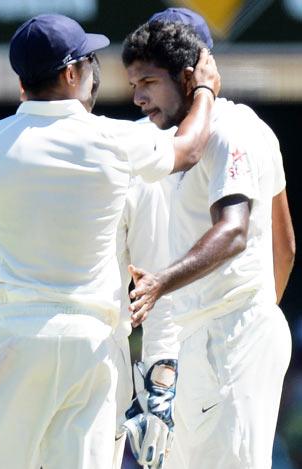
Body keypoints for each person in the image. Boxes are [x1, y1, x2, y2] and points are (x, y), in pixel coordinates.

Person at [0, 13, 220, 468]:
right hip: (93, 344)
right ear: (71, 73)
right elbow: (189, 148)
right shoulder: (118, 138)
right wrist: (203, 89)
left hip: (11, 338)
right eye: (88, 61)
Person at [122, 18, 293, 469]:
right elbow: (286, 246)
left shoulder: (231, 129)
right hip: (207, 337)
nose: (138, 97)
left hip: (231, 336)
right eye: (133, 84)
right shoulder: (175, 138)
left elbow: (235, 229)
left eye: (148, 83)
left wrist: (240, 316)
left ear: (190, 75)